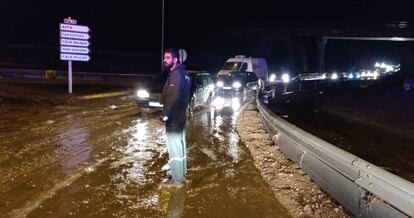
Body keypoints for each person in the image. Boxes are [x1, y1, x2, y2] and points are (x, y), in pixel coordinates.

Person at [159, 48, 191, 188]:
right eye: (164, 57)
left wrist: (164, 116)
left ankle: (177, 179)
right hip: (180, 115)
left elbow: (173, 97)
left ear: (175, 60)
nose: (164, 60)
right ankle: (181, 173)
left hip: (173, 116)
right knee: (180, 144)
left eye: (167, 57)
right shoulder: (183, 73)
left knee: (174, 147)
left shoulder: (176, 75)